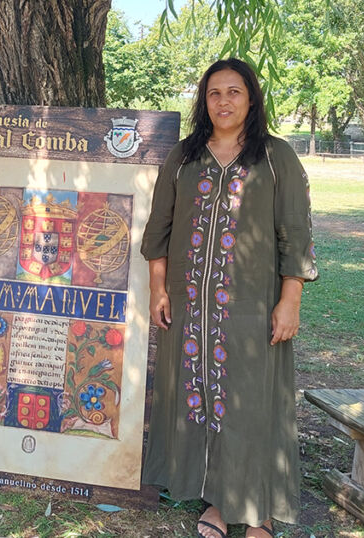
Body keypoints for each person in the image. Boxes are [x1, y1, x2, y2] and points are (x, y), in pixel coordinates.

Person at [141, 58, 319, 538]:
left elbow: (295, 233)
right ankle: (218, 503)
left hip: (251, 307)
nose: (223, 101)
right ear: (204, 101)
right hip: (190, 309)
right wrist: (158, 288)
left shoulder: (276, 157)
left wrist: (290, 300)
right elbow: (159, 229)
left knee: (249, 402)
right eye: (214, 93)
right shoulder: (184, 157)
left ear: (251, 99)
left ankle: (258, 510)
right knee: (201, 399)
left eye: (234, 92)